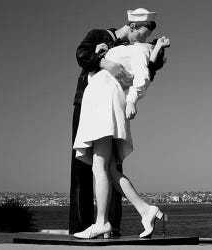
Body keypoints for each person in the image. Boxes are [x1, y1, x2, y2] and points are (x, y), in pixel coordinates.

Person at [72, 8, 170, 239]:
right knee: (108, 168)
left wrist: (132, 99)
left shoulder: (137, 50)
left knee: (99, 166)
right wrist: (102, 53)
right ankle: (145, 210)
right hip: (97, 101)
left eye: (148, 39)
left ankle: (101, 222)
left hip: (104, 102)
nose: (143, 40)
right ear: (133, 26)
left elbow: (143, 76)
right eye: (142, 34)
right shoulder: (118, 46)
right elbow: (83, 56)